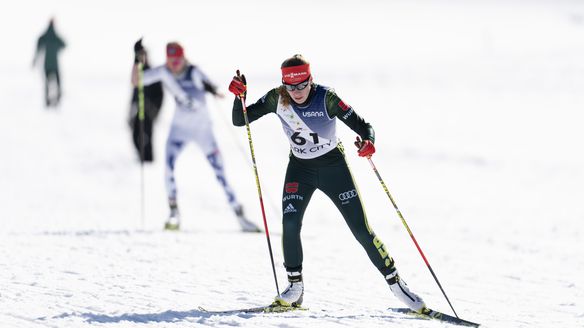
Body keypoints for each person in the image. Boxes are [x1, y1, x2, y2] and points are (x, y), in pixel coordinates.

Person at [228, 54, 426, 312]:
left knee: (360, 230)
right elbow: (240, 119)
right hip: (300, 169)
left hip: (334, 167)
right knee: (289, 223)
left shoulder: (326, 98)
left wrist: (368, 143)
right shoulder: (277, 98)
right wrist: (238, 97)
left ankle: (397, 284)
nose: (297, 92)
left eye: (302, 85)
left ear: (310, 80)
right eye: (291, 86)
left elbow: (363, 125)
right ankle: (295, 287)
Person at [131, 40, 260, 232]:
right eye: (171, 60)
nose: (174, 64)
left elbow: (214, 88)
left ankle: (239, 215)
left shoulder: (194, 72)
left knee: (220, 173)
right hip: (179, 130)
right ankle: (173, 213)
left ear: (184, 57)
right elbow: (137, 81)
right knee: (168, 168)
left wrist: (212, 90)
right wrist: (137, 59)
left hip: (203, 131)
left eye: (178, 59)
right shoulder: (163, 72)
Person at [129, 39, 164, 162]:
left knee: (148, 136)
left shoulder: (153, 72)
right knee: (135, 135)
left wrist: (155, 110)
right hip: (139, 110)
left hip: (149, 112)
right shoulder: (138, 71)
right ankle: (142, 158)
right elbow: (134, 93)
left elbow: (160, 95)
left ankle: (149, 160)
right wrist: (131, 111)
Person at [32, 18, 66, 108]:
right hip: (54, 65)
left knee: (48, 83)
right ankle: (57, 98)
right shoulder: (55, 36)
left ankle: (48, 100)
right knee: (57, 82)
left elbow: (38, 45)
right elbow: (64, 44)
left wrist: (34, 61)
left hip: (47, 65)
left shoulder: (45, 36)